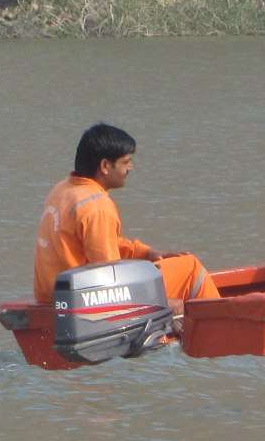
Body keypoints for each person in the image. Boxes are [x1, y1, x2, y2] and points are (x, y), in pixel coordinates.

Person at [33, 122, 220, 308]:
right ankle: (219, 329)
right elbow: (111, 276)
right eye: (125, 162)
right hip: (87, 302)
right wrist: (163, 303)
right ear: (105, 165)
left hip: (53, 297)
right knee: (190, 268)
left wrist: (147, 253)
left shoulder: (61, 190)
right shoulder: (97, 206)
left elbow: (100, 243)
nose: (130, 167)